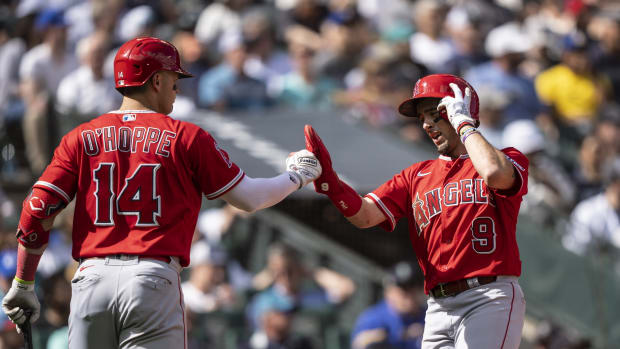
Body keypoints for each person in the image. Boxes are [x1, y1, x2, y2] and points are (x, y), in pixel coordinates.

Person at [1, 36, 322, 349]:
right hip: (151, 279)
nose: (178, 87)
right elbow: (250, 198)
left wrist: (24, 282)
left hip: (91, 281)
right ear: (155, 81)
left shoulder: (80, 137)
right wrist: (296, 176)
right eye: (173, 78)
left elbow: (37, 209)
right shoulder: (186, 136)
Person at [305, 73, 528, 348]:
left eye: (435, 113)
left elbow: (494, 172)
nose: (426, 124)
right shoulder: (416, 175)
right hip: (437, 304)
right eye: (422, 116)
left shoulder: (507, 158)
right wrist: (331, 183)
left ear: (461, 109)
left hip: (488, 295)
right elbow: (365, 215)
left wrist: (465, 125)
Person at [350, 261, 425, 349]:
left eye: (412, 289)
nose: (408, 296)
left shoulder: (428, 315)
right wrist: (398, 335)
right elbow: (359, 343)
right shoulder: (374, 317)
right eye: (403, 290)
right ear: (388, 291)